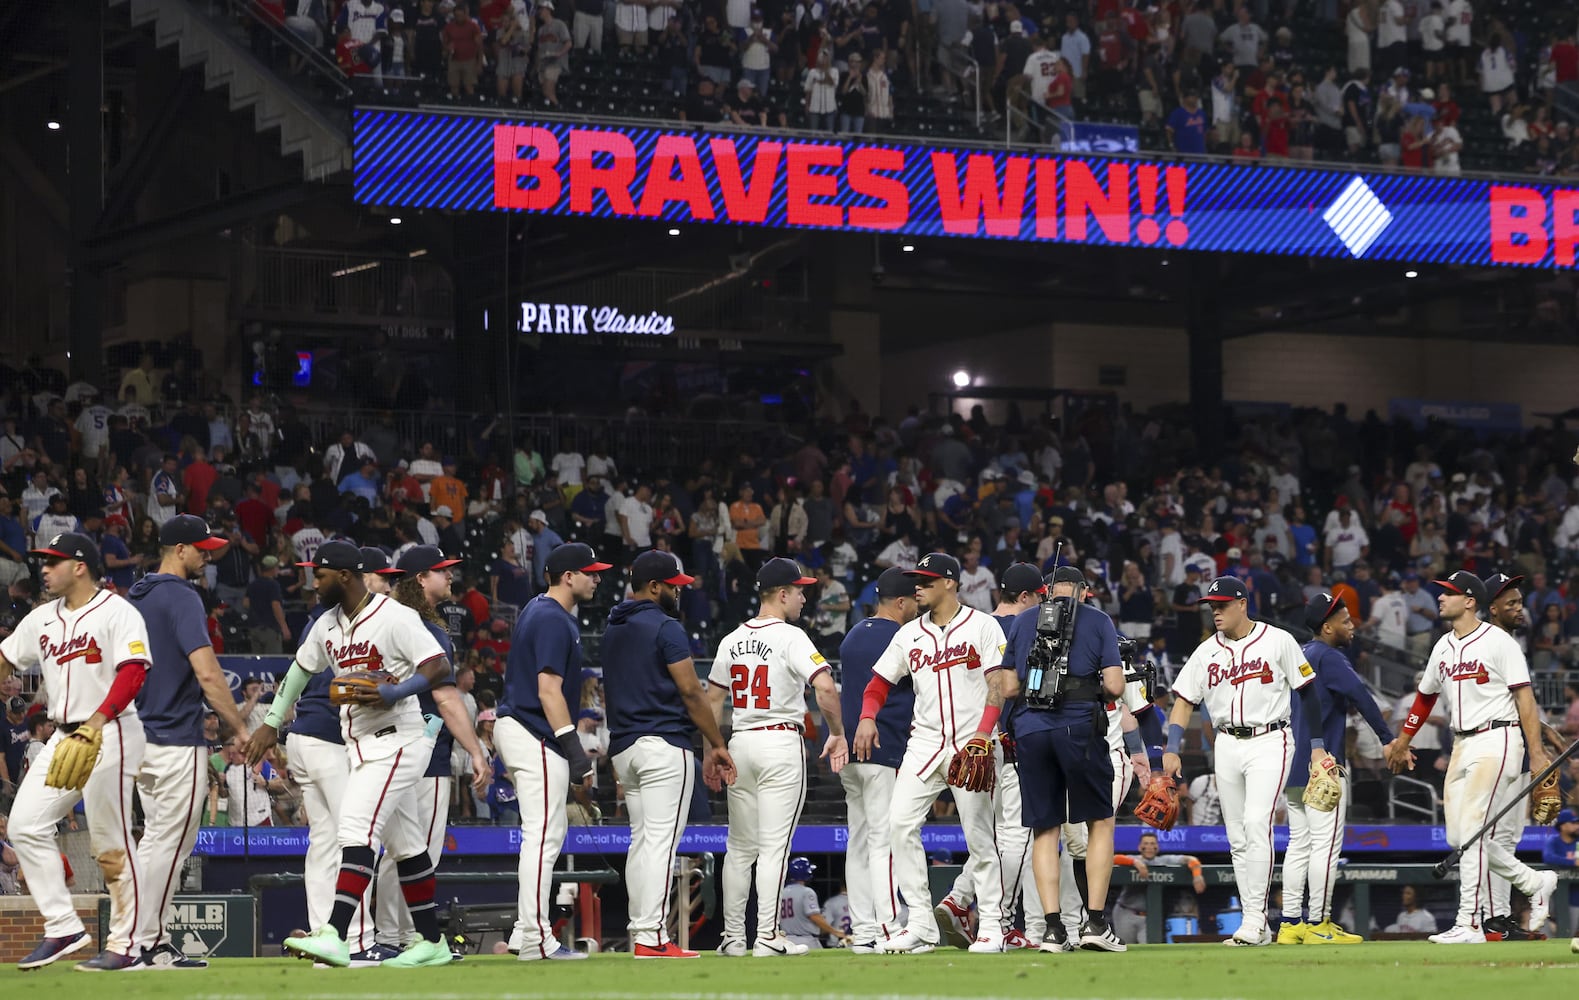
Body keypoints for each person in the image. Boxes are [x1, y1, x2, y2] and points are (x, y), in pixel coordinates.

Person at [244, 541, 490, 968]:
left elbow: (437, 668)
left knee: (355, 828)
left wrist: (395, 690)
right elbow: (300, 669)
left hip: (399, 739)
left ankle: (335, 934)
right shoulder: (327, 625)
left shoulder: (394, 616)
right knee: (407, 845)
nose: (312, 581)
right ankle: (432, 941)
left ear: (344, 575)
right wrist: (272, 721)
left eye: (318, 574)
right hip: (360, 744)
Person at [1, 532, 152, 970]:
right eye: (43, 562)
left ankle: (129, 946)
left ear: (80, 565)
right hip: (64, 735)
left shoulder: (117, 611)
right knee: (26, 824)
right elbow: (6, 657)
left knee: (111, 843)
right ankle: (63, 925)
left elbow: (133, 672)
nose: (43, 569)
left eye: (53, 561)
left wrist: (97, 722)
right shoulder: (41, 618)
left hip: (113, 730)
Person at [1384, 570, 1558, 943]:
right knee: (1458, 836)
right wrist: (1403, 739)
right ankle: (1534, 881)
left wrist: (1538, 753)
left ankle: (1470, 923)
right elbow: (1426, 696)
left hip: (1498, 737)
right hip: (1461, 743)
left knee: (1474, 829)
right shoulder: (1443, 646)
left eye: (1448, 593)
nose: (1441, 598)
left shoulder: (1499, 642)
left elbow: (1524, 699)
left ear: (1470, 600)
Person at [852, 552, 1009, 954]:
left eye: (926, 580)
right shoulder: (907, 635)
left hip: (971, 743)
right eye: (916, 581)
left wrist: (983, 734)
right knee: (898, 825)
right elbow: (877, 684)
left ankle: (992, 925)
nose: (917, 587)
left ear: (950, 583)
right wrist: (868, 717)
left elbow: (998, 686)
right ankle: (921, 924)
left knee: (979, 837)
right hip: (924, 744)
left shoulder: (983, 626)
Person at [1161, 576, 1329, 947]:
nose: (1215, 611)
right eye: (1211, 606)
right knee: (1236, 836)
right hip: (1226, 743)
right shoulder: (1206, 652)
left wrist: (1316, 745)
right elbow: (1184, 701)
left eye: (1222, 604)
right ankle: (1258, 923)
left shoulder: (1278, 640)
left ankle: (1253, 918)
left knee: (1256, 824)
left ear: (1242, 604)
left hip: (1270, 738)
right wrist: (1171, 748)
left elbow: (1308, 692)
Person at [126, 515, 249, 969]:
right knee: (170, 845)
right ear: (178, 549)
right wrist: (238, 727)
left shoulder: (133, 597)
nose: (208, 554)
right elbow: (208, 672)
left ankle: (137, 938)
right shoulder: (181, 596)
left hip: (140, 736)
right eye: (200, 548)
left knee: (153, 842)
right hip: (176, 738)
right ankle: (143, 943)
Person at [709, 558, 848, 958]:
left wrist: (712, 751)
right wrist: (836, 734)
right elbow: (824, 687)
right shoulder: (792, 637)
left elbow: (713, 700)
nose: (804, 597)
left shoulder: (730, 639)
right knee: (773, 848)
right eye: (800, 590)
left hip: (740, 741)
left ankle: (734, 938)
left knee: (739, 849)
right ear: (782, 594)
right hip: (779, 743)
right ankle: (767, 936)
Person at [602, 550, 736, 958]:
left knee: (642, 842)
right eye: (674, 586)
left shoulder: (613, 627)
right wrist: (716, 743)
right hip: (662, 745)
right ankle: (652, 936)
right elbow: (692, 691)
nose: (680, 592)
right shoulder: (665, 626)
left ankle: (642, 931)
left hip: (625, 748)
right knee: (660, 843)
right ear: (655, 586)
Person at [997, 566, 1127, 952]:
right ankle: (1095, 924)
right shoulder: (1098, 620)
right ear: (1083, 593)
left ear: (1047, 591)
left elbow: (1007, 686)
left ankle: (1052, 930)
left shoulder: (1022, 622)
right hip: (1078, 729)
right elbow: (1116, 685)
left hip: (1032, 732)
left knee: (1045, 829)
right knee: (1099, 822)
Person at [496, 543, 610, 961]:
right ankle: (537, 939)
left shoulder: (537, 609)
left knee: (545, 834)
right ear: (568, 576)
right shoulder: (552, 618)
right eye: (590, 572)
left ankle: (524, 930)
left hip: (523, 729)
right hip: (533, 731)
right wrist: (573, 747)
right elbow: (548, 689)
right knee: (543, 837)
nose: (597, 578)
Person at [939, 562, 1049, 948]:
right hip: (1011, 743)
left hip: (974, 744)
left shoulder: (975, 625)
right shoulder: (1026, 629)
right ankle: (997, 921)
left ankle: (959, 898)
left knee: (991, 837)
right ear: (1025, 597)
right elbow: (1016, 688)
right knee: (1015, 836)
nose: (1042, 605)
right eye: (1038, 597)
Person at [1279, 593, 1394, 945]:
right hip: (1323, 765)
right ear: (1327, 627)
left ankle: (1289, 925)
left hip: (1294, 764)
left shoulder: (1301, 653)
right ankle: (1318, 924)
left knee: (1299, 845)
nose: (1352, 625)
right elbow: (1361, 695)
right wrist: (1388, 739)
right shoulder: (1330, 656)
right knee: (1325, 847)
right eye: (1344, 620)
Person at [375, 545, 467, 957]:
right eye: (441, 571)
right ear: (420, 579)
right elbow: (445, 699)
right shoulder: (421, 628)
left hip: (396, 745)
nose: (449, 577)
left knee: (402, 848)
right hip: (424, 749)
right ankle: (406, 938)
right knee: (417, 851)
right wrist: (476, 750)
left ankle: (392, 937)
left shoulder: (395, 621)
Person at [836, 567, 916, 952]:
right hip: (884, 749)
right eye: (914, 600)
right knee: (884, 840)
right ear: (900, 602)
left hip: (852, 752)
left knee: (860, 841)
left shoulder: (853, 635)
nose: (919, 606)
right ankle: (888, 928)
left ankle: (864, 929)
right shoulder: (903, 636)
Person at [1479, 571, 1552, 941]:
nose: (1519, 609)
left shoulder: (1509, 644)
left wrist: (1547, 736)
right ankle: (1490, 917)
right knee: (1488, 835)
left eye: (1520, 601)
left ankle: (1499, 919)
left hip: (1518, 749)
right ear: (1492, 608)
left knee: (1506, 839)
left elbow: (1523, 703)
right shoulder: (1489, 643)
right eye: (1511, 604)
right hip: (1496, 746)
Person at [1110, 831, 1206, 943]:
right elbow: (1113, 859)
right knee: (1124, 948)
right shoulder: (1133, 859)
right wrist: (1135, 862)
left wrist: (1197, 875)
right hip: (1126, 911)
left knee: (1148, 949)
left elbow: (1190, 859)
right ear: (1140, 847)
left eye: (1152, 844)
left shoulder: (1162, 861)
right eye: (1146, 844)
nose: (1149, 847)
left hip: (1149, 916)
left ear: (1157, 847)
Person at [779, 857, 849, 949]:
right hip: (806, 941)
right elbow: (814, 916)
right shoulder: (807, 892)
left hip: (786, 941)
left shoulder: (782, 892)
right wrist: (835, 932)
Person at [1543, 809, 1579, 946]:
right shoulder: (1554, 841)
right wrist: (1572, 862)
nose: (1577, 826)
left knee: (1569, 932)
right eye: (1573, 823)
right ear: (1563, 825)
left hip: (1575, 896)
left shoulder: (1578, 841)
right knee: (1548, 929)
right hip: (1555, 894)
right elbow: (1548, 857)